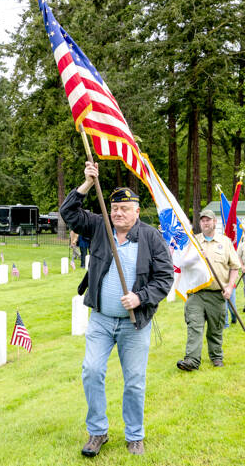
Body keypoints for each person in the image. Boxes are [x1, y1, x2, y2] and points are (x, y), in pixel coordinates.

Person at [60, 162, 173, 457]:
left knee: (134, 381)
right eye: (114, 208)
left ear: (137, 211)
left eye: (125, 208)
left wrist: (140, 297)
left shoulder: (151, 237)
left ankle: (135, 435)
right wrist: (86, 184)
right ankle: (97, 432)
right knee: (91, 370)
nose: (118, 213)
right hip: (100, 319)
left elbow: (165, 278)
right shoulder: (100, 227)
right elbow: (68, 213)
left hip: (134, 324)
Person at [177, 208, 241, 373]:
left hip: (216, 294)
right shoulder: (193, 241)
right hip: (196, 293)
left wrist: (229, 286)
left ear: (215, 222)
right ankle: (191, 360)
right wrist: (196, 256)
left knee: (216, 328)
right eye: (202, 220)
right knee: (194, 326)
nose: (205, 223)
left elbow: (235, 267)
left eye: (208, 220)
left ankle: (216, 356)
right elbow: (181, 263)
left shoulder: (225, 242)